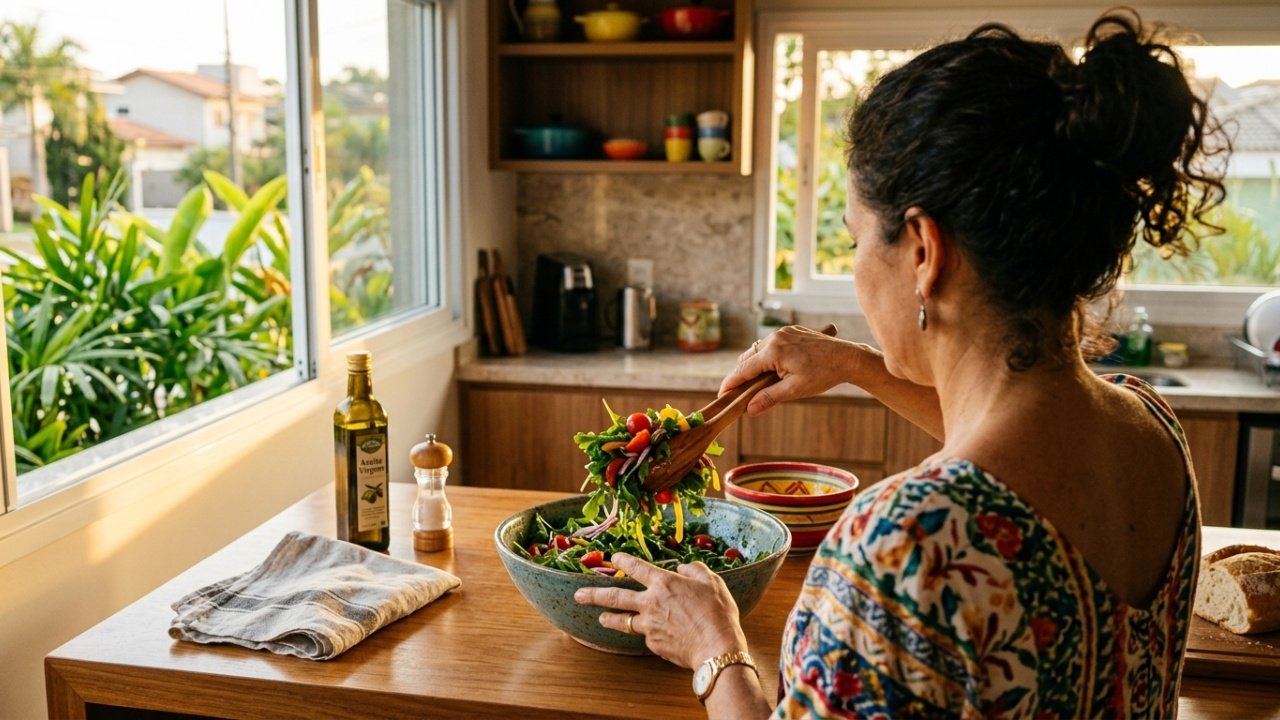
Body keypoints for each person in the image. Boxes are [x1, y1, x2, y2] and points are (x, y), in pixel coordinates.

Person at [576, 9, 1227, 718]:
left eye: (855, 239)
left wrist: (716, 650)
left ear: (923, 250)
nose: (856, 269)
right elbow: (1001, 449)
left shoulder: (905, 543)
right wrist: (854, 363)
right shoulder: (1154, 432)